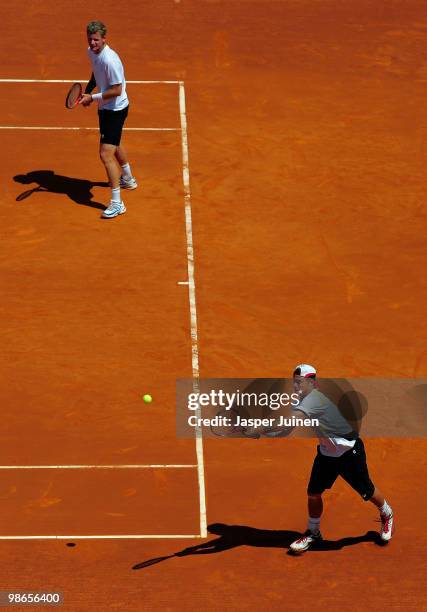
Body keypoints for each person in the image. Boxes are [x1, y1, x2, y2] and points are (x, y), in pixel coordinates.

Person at [261, 364, 394, 553]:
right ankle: (313, 533)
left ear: (312, 382)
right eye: (295, 382)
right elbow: (287, 428)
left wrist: (257, 427)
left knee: (368, 491)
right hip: (327, 454)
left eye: (300, 382)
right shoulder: (300, 401)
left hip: (349, 453)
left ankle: (387, 514)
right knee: (313, 493)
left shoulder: (315, 399)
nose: (296, 386)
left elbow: (288, 422)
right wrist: (264, 434)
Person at [79, 21, 138, 219]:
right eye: (90, 39)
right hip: (106, 109)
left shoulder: (110, 60)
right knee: (114, 142)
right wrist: (87, 91)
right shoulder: (91, 52)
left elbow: (116, 90)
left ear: (105, 39)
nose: (93, 42)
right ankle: (128, 179)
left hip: (115, 109)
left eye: (96, 39)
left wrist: (92, 98)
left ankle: (117, 203)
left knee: (105, 154)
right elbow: (96, 74)